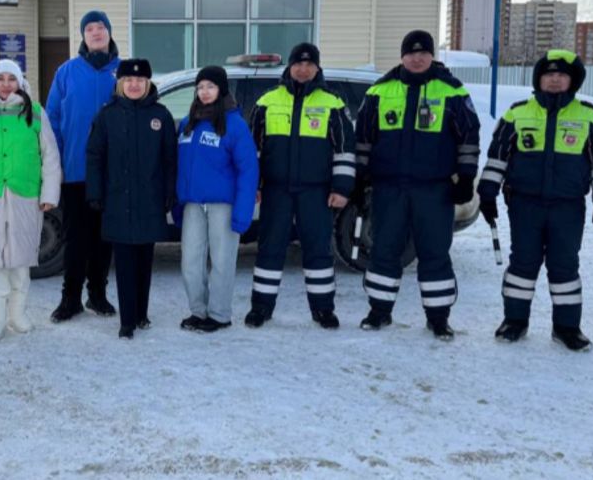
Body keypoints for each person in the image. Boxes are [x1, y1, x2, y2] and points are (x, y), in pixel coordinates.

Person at [477, 50, 593, 352]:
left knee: (564, 265)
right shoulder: (516, 114)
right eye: (548, 74)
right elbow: (497, 158)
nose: (554, 79)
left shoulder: (590, 117)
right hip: (524, 204)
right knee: (523, 264)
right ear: (538, 78)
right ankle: (515, 321)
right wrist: (486, 193)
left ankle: (567, 328)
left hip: (568, 207)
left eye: (562, 75)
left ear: (573, 81)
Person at [354, 30, 481, 340]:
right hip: (389, 188)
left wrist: (466, 178)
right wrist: (359, 178)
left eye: (423, 52)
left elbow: (469, 138)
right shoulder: (380, 91)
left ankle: (438, 318)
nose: (417, 57)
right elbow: (363, 140)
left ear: (431, 55)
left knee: (435, 252)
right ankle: (379, 311)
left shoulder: (451, 91)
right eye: (411, 52)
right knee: (384, 249)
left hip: (434, 189)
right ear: (402, 56)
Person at [246, 43, 356, 329]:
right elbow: (253, 151)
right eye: (299, 63)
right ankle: (261, 308)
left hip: (316, 191)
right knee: (270, 248)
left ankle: (323, 310)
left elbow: (345, 150)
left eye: (310, 64)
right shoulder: (267, 101)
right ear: (290, 66)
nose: (303, 69)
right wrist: (253, 185)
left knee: (318, 249)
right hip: (276, 190)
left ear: (317, 68)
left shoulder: (333, 103)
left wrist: (342, 188)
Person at [0, 59, 61, 340]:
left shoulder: (36, 113)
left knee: (21, 258)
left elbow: (50, 155)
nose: (6, 84)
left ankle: (17, 314)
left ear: (21, 83)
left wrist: (50, 193)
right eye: (0, 78)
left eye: (11, 78)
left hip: (25, 196)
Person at [86, 59, 177, 339]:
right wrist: (95, 193)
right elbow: (94, 156)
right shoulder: (107, 115)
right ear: (120, 83)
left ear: (148, 83)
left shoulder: (160, 116)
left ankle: (141, 314)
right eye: (128, 80)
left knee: (144, 259)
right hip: (117, 200)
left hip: (149, 200)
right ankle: (127, 321)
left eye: (139, 81)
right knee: (124, 261)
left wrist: (169, 194)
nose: (134, 85)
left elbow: (170, 160)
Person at [46, 10, 120, 322]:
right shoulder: (66, 72)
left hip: (113, 173)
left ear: (109, 32)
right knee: (77, 239)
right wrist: (56, 164)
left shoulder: (124, 72)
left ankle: (98, 295)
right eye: (89, 28)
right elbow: (52, 121)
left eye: (100, 26)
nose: (95, 32)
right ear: (83, 36)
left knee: (104, 238)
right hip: (75, 171)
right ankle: (71, 298)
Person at [175, 66, 259, 332]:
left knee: (222, 261)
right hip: (193, 204)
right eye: (200, 87)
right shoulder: (188, 123)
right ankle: (198, 312)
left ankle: (219, 314)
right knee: (190, 261)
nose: (204, 92)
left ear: (221, 89)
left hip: (223, 204)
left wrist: (243, 211)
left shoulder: (234, 124)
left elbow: (248, 170)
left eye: (210, 86)